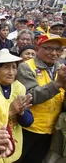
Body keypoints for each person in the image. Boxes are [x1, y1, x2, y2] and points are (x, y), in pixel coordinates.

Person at [16, 34, 66, 163]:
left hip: (50, 130)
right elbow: (30, 96)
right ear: (38, 49)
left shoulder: (60, 69)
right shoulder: (26, 67)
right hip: (29, 128)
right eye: (49, 48)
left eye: (58, 49)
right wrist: (57, 84)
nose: (54, 53)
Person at [0, 49, 34, 162]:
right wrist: (10, 111)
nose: (11, 72)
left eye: (14, 67)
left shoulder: (19, 87)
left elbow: (28, 121)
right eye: (6, 67)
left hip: (15, 144)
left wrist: (21, 112)